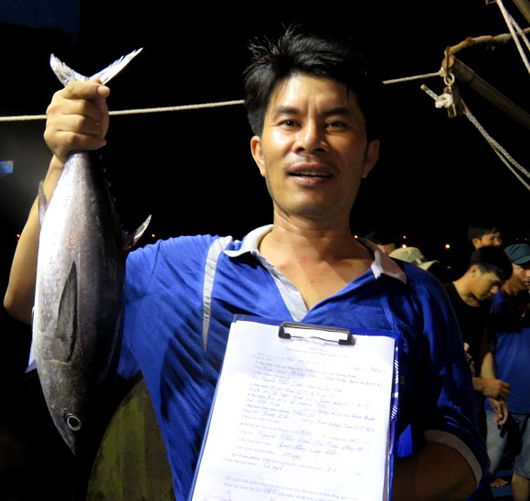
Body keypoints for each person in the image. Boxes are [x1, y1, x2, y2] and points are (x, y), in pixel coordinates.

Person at [4, 27, 488, 499]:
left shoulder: (416, 294)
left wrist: (336, 490)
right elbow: (30, 304)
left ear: (369, 156)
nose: (310, 140)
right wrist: (63, 159)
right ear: (259, 152)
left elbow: (460, 453)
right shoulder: (179, 272)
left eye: (336, 124)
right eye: (289, 122)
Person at [443, 248, 512, 431]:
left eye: (499, 285)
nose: (495, 291)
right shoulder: (442, 297)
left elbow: (483, 347)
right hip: (444, 402)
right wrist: (482, 385)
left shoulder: (484, 304)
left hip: (472, 400)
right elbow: (435, 364)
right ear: (474, 271)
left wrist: (492, 389)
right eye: (493, 283)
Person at [484, 244, 530, 501]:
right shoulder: (491, 303)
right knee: (483, 470)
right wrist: (491, 389)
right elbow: (484, 351)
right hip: (499, 402)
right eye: (523, 267)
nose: (529, 273)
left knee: (526, 472)